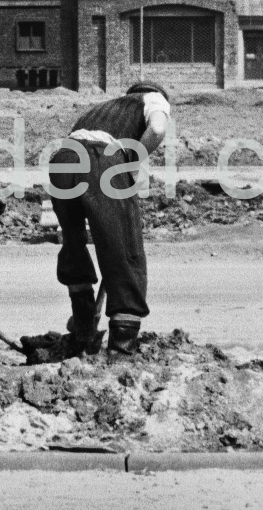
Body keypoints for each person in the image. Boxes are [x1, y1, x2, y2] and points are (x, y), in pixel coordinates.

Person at [47, 81, 173, 356]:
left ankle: (83, 327)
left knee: (73, 243)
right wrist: (131, 164)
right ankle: (121, 346)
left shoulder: (100, 109)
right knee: (125, 247)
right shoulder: (153, 99)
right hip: (102, 160)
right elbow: (157, 129)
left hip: (63, 160)